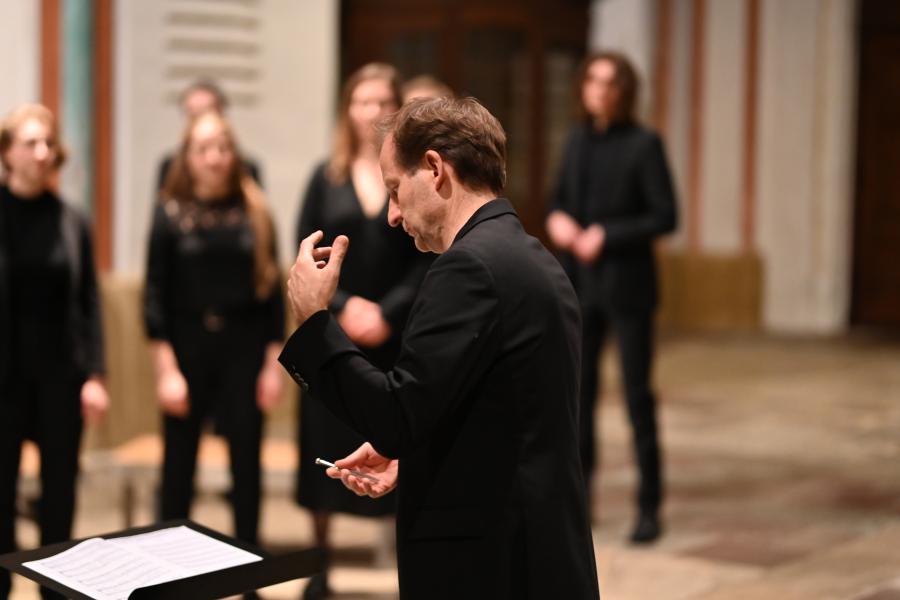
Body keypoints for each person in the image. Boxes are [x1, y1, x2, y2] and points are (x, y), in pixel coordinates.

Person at [280, 97, 600, 599]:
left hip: (489, 566)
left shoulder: (466, 269)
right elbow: (508, 413)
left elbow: (395, 416)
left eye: (394, 189)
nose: (390, 214)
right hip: (536, 550)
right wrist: (418, 454)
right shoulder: (532, 256)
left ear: (434, 168)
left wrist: (315, 322)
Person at [294, 62, 430, 600]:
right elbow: (304, 250)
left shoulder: (410, 175)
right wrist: (345, 305)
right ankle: (320, 563)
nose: (372, 112)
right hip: (338, 325)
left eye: (383, 103)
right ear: (347, 109)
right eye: (362, 102)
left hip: (396, 330)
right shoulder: (324, 177)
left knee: (397, 436)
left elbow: (425, 258)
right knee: (326, 434)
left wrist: (386, 312)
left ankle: (406, 562)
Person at [545, 50, 678, 544]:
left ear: (625, 91)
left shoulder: (645, 144)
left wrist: (607, 234)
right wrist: (559, 219)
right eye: (592, 80)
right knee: (577, 399)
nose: (599, 89)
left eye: (610, 82)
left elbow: (666, 215)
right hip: (579, 286)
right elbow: (558, 200)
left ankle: (649, 508)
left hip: (628, 289)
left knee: (637, 398)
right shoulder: (577, 140)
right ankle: (578, 503)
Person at [143, 111, 284, 574]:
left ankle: (249, 574)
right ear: (188, 157)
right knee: (178, 468)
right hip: (187, 349)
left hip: (244, 347)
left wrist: (270, 366)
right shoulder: (167, 214)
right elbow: (154, 296)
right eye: (204, 148)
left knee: (247, 466)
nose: (215, 157)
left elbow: (270, 294)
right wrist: (166, 370)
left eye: (223, 147)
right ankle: (168, 571)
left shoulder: (255, 210)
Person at [0, 104, 109, 600]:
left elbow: (89, 302)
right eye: (31, 143)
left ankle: (55, 588)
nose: (43, 153)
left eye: (48, 144)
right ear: (7, 153)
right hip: (4, 379)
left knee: (60, 493)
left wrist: (95, 375)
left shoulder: (71, 220)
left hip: (60, 375)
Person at [156, 79, 262, 191]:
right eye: (193, 115)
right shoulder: (171, 167)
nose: (212, 161)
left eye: (208, 112)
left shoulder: (246, 167)